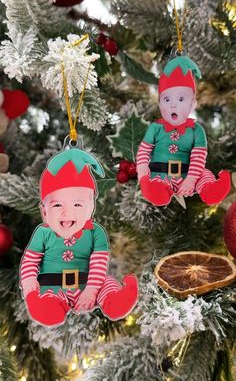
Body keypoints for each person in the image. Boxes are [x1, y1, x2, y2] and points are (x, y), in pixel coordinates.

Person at [20, 148, 138, 326]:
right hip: (53, 286)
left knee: (108, 283)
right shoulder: (43, 233)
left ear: (91, 208)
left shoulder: (95, 232)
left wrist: (91, 290)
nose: (67, 212)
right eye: (57, 204)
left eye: (77, 204)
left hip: (89, 284)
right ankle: (47, 309)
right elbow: (30, 262)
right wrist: (29, 288)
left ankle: (115, 302)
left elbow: (99, 263)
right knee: (47, 297)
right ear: (44, 211)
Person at [136, 56, 231, 206]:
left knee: (204, 174)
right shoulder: (155, 128)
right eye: (167, 99)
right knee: (156, 182)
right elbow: (143, 151)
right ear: (160, 103)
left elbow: (199, 157)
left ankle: (210, 190)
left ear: (192, 104)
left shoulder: (196, 130)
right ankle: (156, 191)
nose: (173, 105)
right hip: (161, 173)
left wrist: (191, 180)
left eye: (181, 99)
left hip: (189, 174)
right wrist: (142, 174)